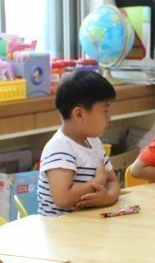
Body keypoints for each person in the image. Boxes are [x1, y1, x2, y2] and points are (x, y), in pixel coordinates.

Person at [37, 70, 121, 216]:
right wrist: (98, 181)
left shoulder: (94, 142)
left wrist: (107, 197)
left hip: (86, 223)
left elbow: (113, 182)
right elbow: (62, 198)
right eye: (105, 110)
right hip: (60, 227)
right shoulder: (60, 147)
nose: (109, 117)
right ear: (79, 114)